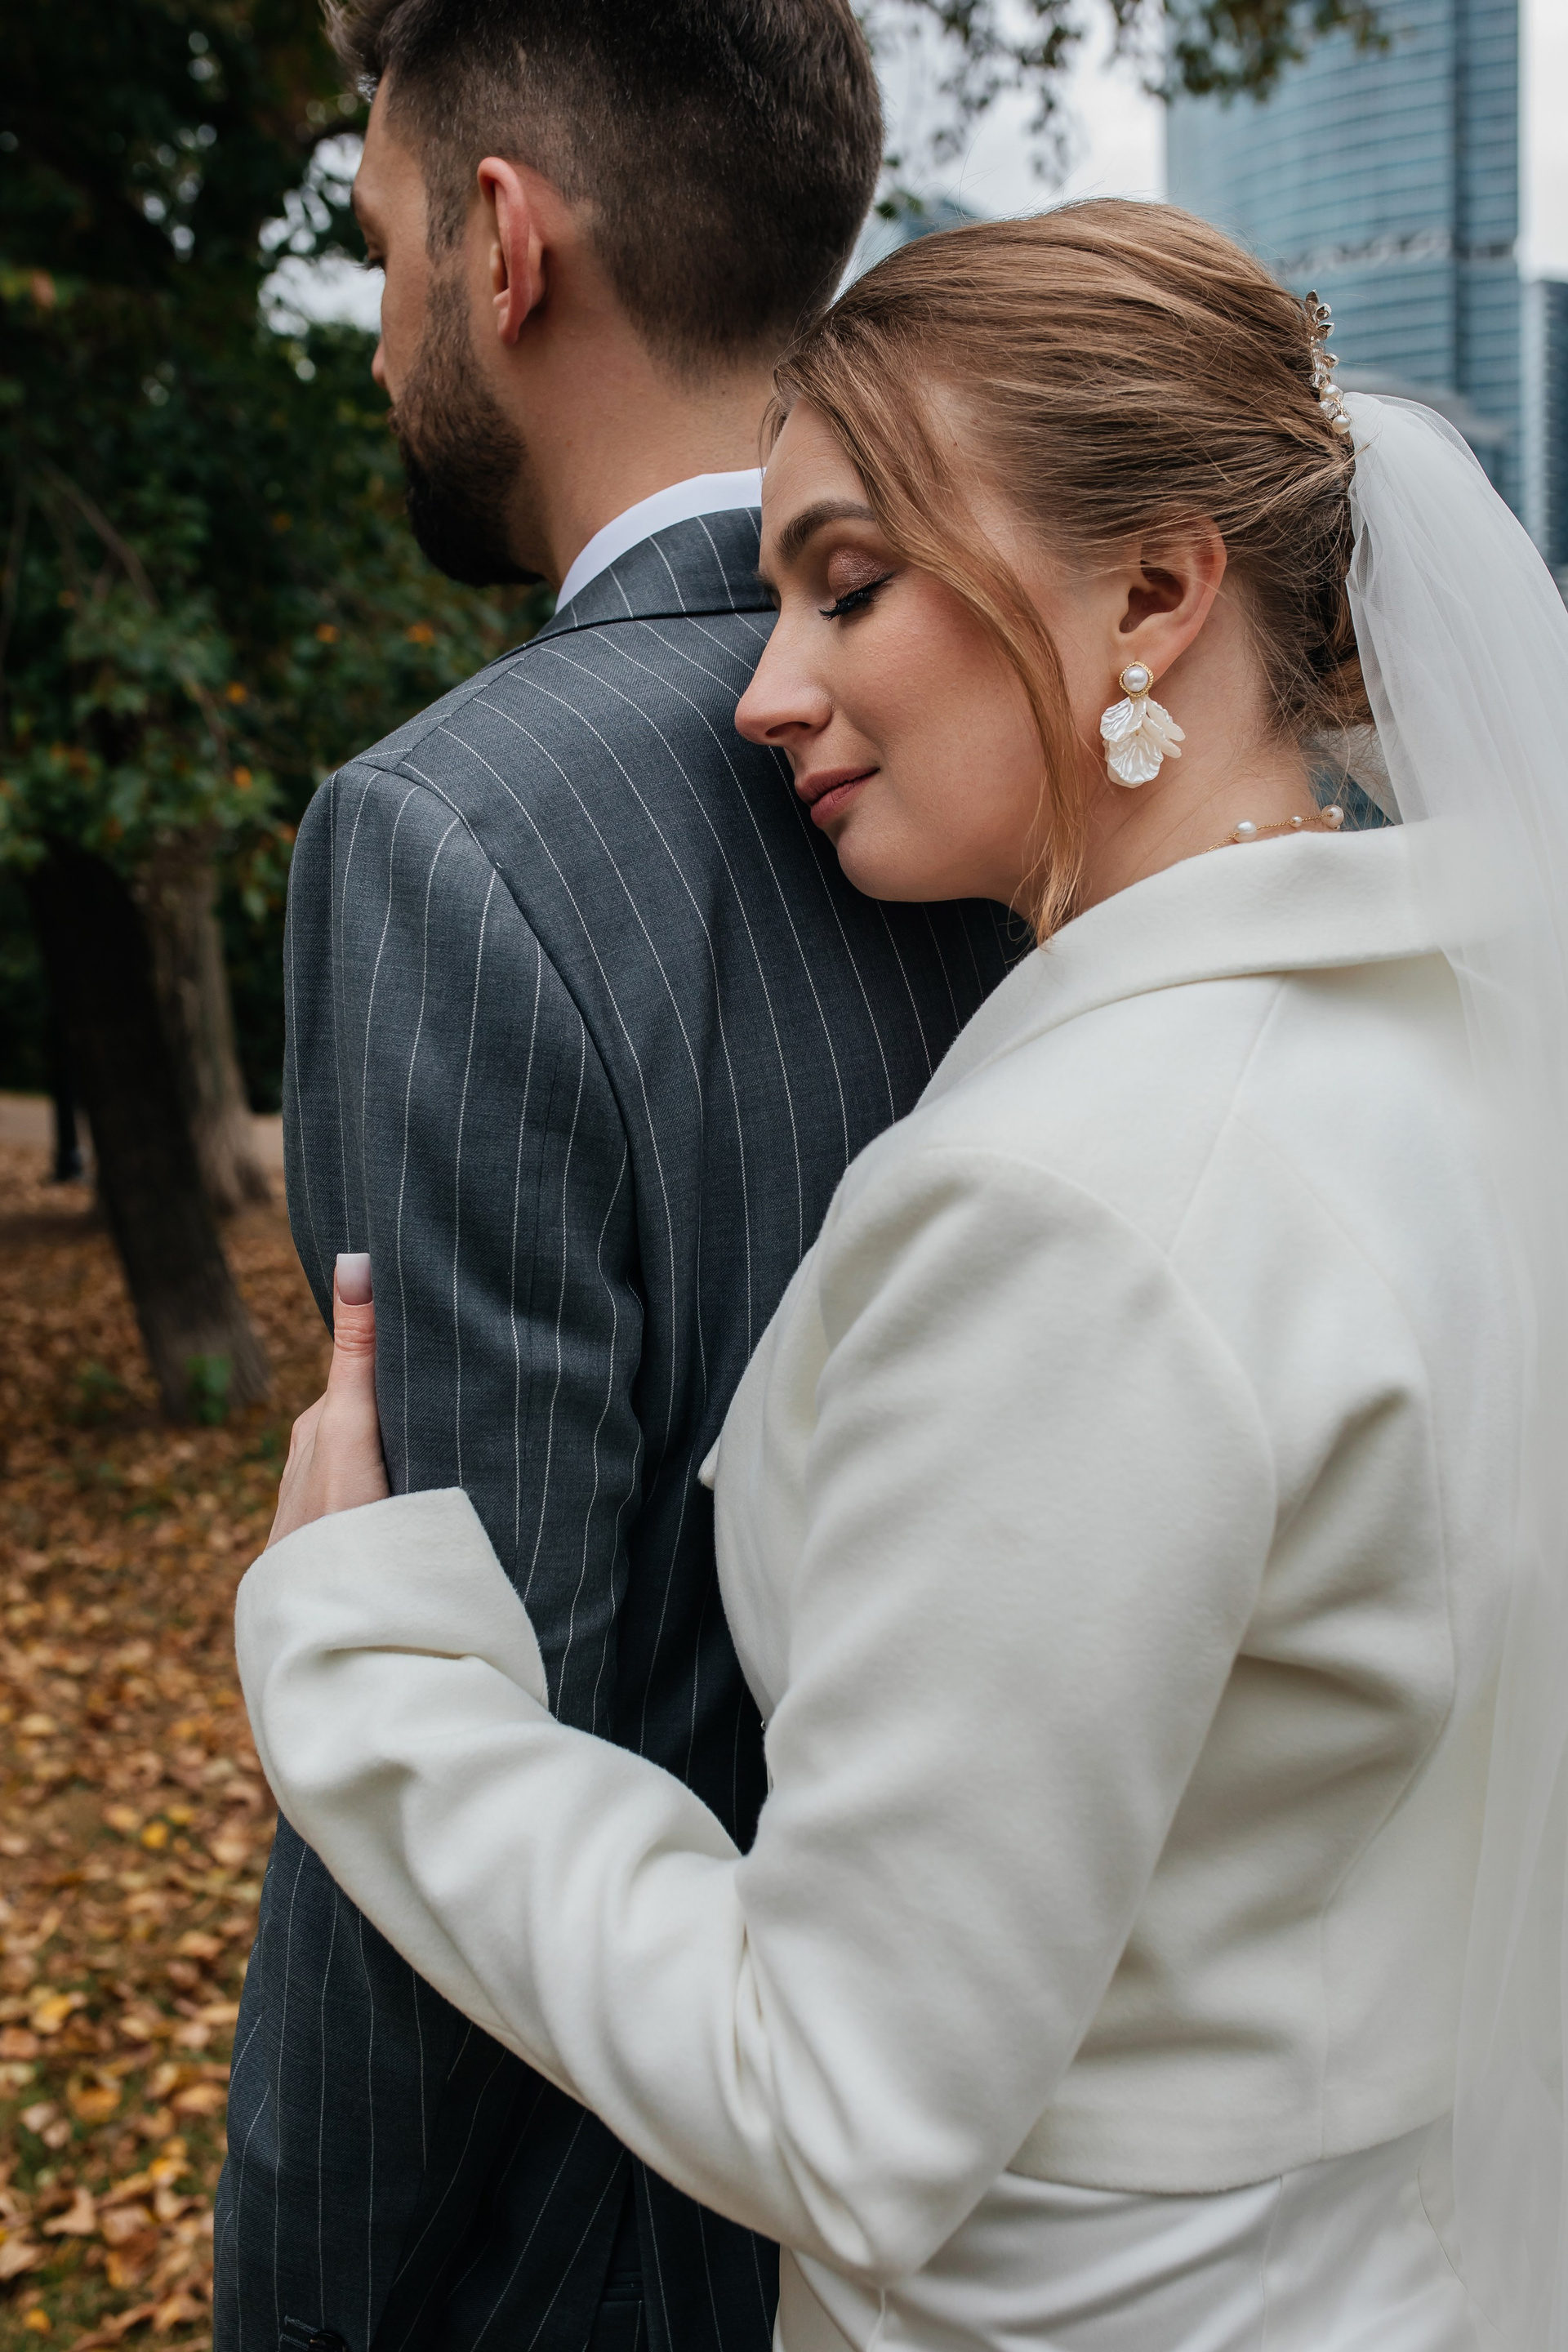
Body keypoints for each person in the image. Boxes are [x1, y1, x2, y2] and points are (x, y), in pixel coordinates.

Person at [236, 203, 1568, 2348]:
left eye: (848, 585)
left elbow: (841, 2101)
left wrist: (366, 1672)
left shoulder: (1089, 1211)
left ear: (1156, 593)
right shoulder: (1452, 1050)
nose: (767, 692)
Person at [216, 7, 1017, 2351]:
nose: (382, 343)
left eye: (380, 248)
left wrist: (306, 2294)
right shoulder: (1083, 750)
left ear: (502, 247)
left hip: (626, 2246)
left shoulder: (451, 838)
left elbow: (471, 1719)